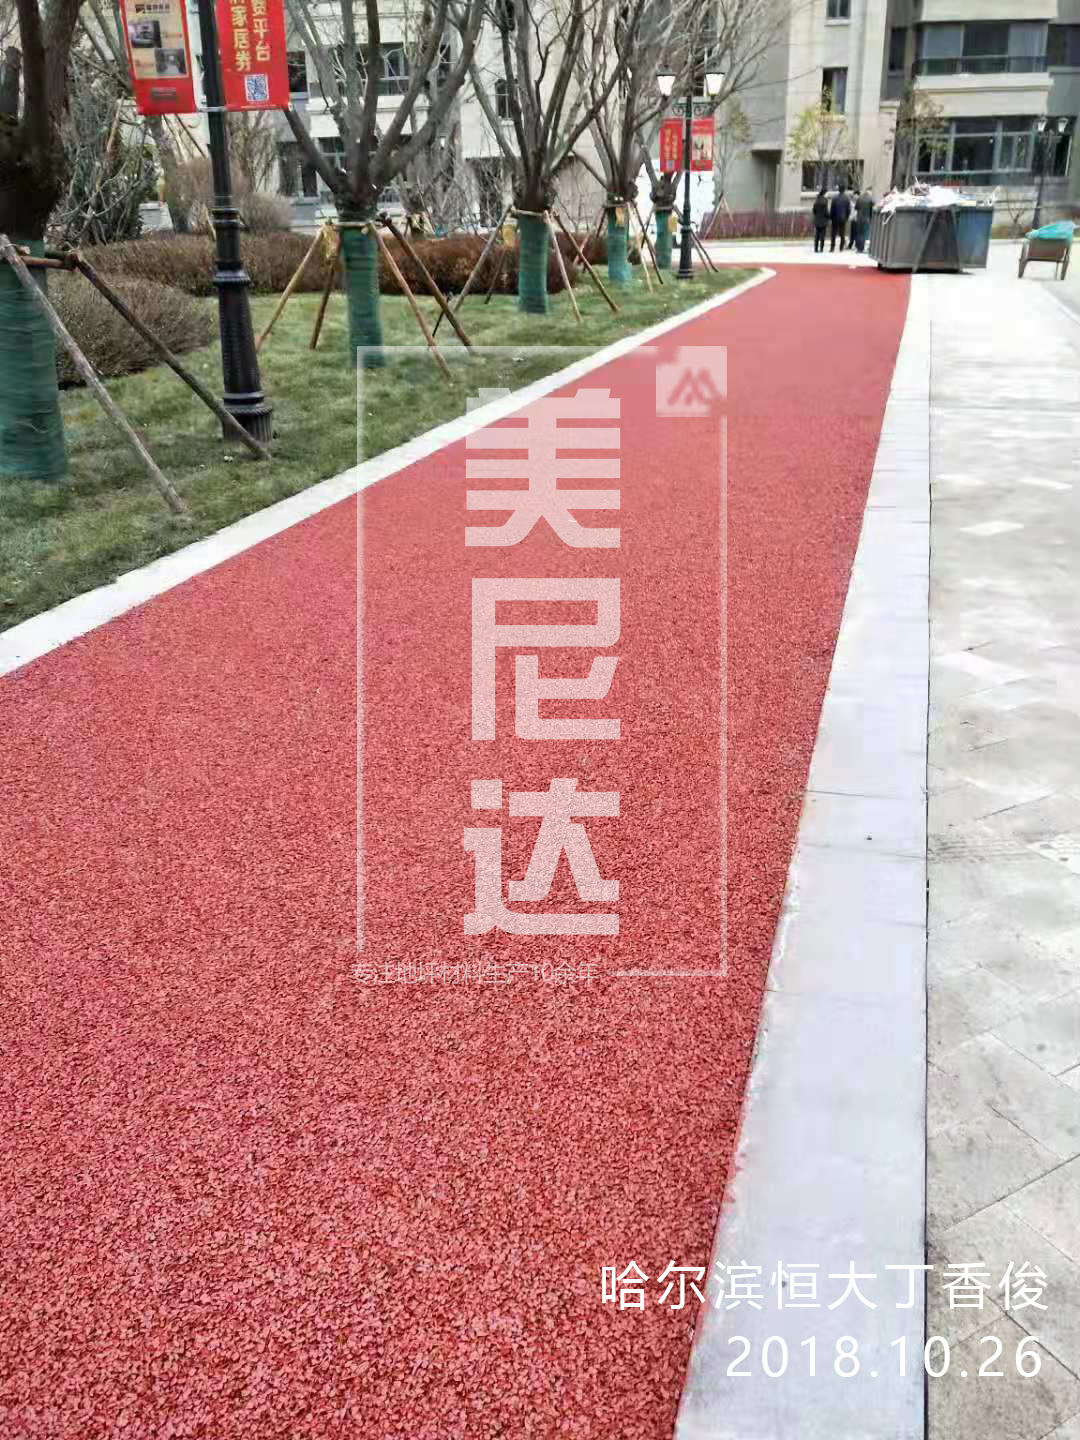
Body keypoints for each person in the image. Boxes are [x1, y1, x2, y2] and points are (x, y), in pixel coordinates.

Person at [829, 184, 851, 252]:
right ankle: (841, 247)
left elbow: (832, 209)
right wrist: (847, 217)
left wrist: (831, 217)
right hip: (843, 218)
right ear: (844, 190)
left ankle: (832, 247)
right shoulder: (847, 198)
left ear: (839, 189)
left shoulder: (835, 198)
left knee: (833, 233)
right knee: (842, 233)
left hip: (835, 218)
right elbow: (848, 210)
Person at [854, 187, 874, 253]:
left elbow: (856, 208)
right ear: (869, 191)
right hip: (866, 218)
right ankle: (861, 248)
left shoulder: (859, 198)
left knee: (859, 233)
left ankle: (858, 247)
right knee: (863, 233)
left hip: (859, 217)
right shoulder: (870, 199)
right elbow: (872, 208)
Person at [812, 186, 829, 253]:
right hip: (823, 220)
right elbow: (826, 212)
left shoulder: (817, 199)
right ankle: (821, 248)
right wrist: (828, 217)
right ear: (825, 193)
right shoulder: (825, 201)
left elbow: (814, 210)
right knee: (822, 235)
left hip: (817, 219)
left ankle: (816, 248)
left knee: (817, 235)